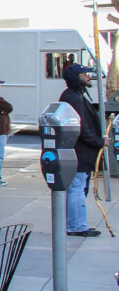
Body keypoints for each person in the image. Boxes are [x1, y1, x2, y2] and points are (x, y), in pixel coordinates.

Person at [58, 63, 104, 237]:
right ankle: (76, 225)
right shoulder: (73, 97)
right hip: (78, 152)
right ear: (76, 78)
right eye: (85, 74)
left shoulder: (76, 95)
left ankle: (77, 223)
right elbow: (80, 127)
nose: (89, 76)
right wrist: (98, 141)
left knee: (79, 188)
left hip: (80, 152)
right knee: (76, 188)